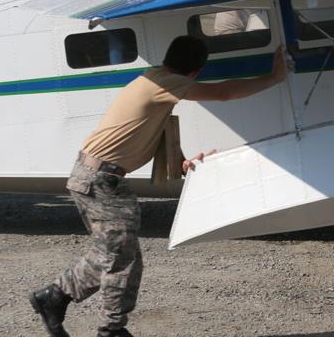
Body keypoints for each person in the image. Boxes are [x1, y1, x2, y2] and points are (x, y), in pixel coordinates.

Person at [30, 37, 290, 337]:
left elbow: (151, 127)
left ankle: (54, 298)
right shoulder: (166, 83)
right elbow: (223, 92)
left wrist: (180, 161)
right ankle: (110, 330)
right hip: (100, 180)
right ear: (196, 70)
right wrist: (275, 77)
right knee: (122, 258)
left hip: (96, 177)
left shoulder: (155, 78)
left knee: (113, 253)